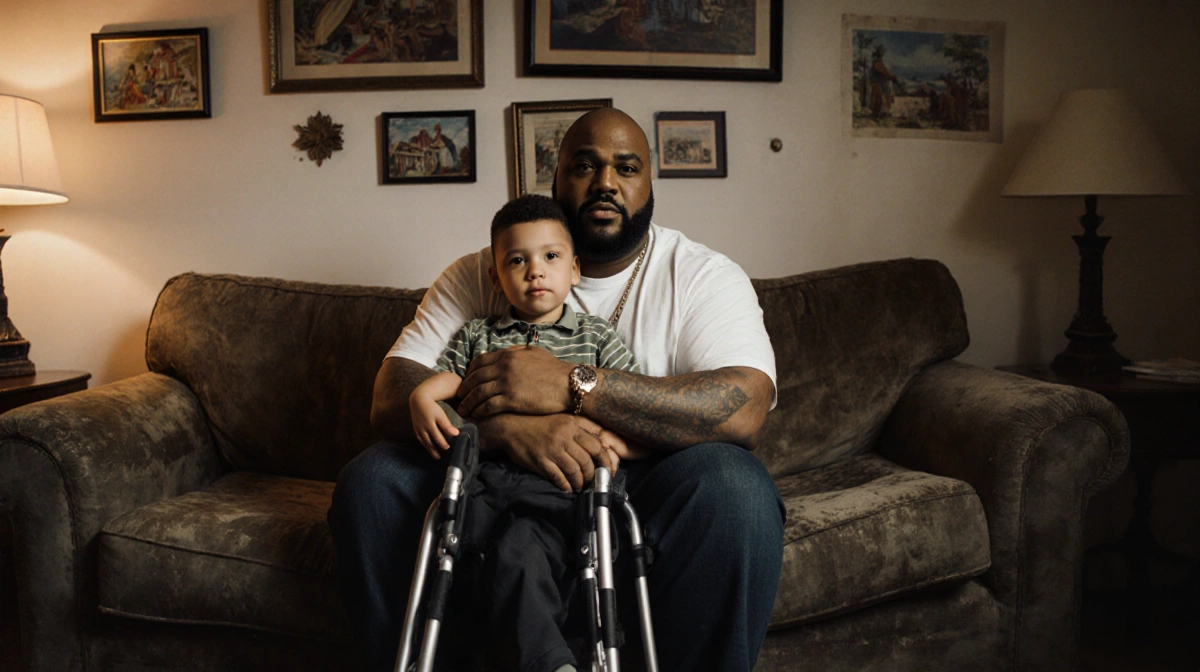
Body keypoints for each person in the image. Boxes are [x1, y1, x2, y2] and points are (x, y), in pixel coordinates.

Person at [329, 107, 784, 672]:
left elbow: (742, 409)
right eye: (585, 166)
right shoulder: (484, 270)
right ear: (556, 177)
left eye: (626, 167)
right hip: (492, 475)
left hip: (630, 477)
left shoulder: (701, 275)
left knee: (736, 487)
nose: (605, 182)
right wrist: (505, 430)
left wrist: (571, 386)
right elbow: (393, 393)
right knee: (372, 482)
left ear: (650, 183)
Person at [409, 193, 640, 672]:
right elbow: (450, 384)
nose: (536, 271)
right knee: (489, 551)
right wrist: (421, 396)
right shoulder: (479, 336)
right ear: (496, 277)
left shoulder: (596, 337)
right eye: (517, 260)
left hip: (563, 491)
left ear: (574, 270)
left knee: (519, 551)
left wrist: (611, 444)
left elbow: (631, 404)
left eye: (551, 257)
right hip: (492, 486)